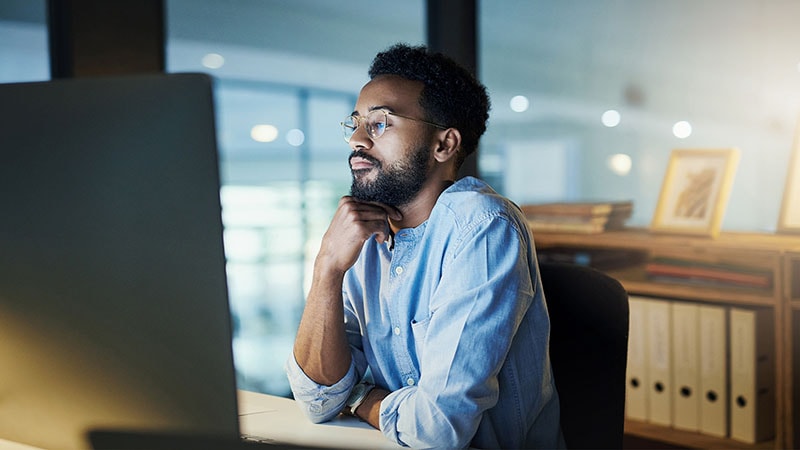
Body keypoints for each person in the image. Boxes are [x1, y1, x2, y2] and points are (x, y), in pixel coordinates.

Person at [285, 43, 564, 449]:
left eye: (380, 123)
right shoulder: (362, 235)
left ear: (444, 145)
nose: (357, 141)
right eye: (356, 123)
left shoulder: (482, 227)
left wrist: (359, 396)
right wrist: (327, 267)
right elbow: (316, 398)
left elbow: (437, 430)